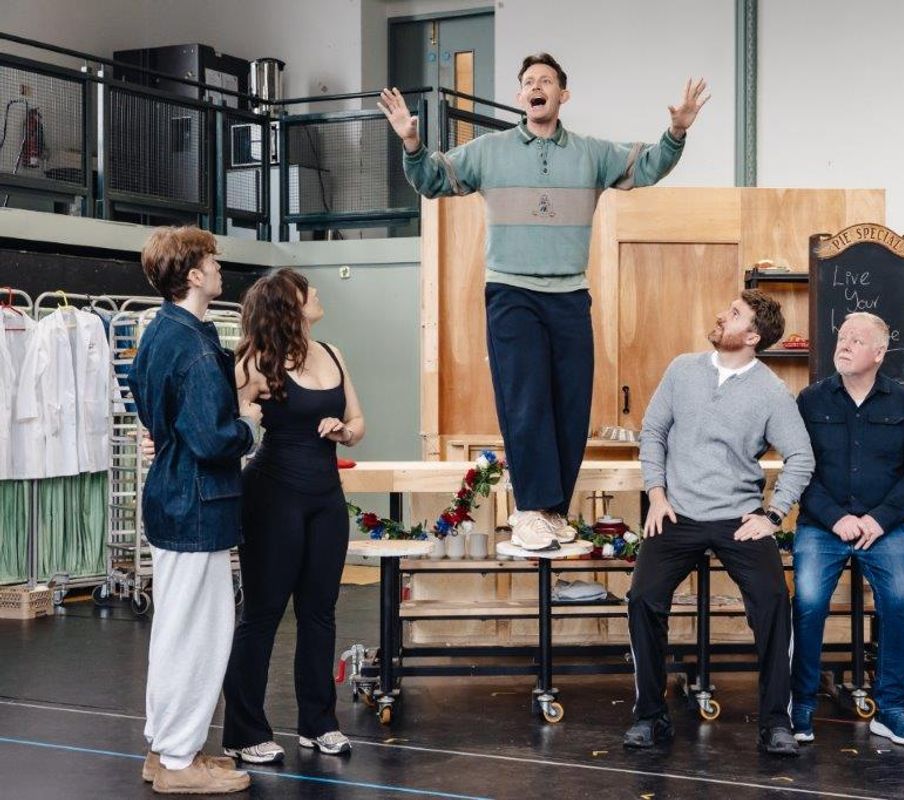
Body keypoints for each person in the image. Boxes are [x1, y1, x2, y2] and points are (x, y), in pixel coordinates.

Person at [380, 52, 708, 550]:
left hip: (570, 292)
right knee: (527, 398)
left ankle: (553, 510)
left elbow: (645, 167)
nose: (537, 86)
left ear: (562, 95)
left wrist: (676, 133)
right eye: (529, 81)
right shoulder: (488, 151)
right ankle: (529, 509)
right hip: (512, 290)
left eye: (547, 81)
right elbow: (433, 179)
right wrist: (411, 141)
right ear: (520, 97)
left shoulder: (590, 153)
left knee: (571, 405)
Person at [624, 290, 814, 756]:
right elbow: (653, 431)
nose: (720, 316)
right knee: (642, 598)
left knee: (772, 602)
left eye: (733, 315)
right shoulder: (682, 369)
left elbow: (801, 457)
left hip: (738, 518)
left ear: (752, 336)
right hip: (677, 511)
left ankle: (775, 722)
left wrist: (771, 515)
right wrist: (656, 493)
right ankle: (651, 717)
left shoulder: (771, 392)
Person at [128, 226, 259, 794]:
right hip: (199, 504)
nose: (219, 268)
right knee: (200, 634)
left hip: (171, 498)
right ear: (194, 275)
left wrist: (164, 434)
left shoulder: (161, 331)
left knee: (175, 630)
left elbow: (140, 390)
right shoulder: (198, 347)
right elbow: (212, 439)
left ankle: (166, 751)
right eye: (212, 260)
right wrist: (249, 427)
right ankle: (179, 761)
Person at [220, 269, 366, 763]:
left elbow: (359, 421)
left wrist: (344, 432)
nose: (318, 293)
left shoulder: (333, 352)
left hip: (326, 497)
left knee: (320, 612)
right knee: (263, 613)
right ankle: (243, 731)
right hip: (272, 495)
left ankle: (318, 723)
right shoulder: (252, 362)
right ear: (289, 303)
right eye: (309, 290)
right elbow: (226, 425)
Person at [790, 312, 904, 746]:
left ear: (879, 353)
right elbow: (800, 469)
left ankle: (890, 710)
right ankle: (801, 707)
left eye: (856, 339)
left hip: (882, 527)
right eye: (841, 337)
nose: (844, 345)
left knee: (901, 604)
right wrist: (836, 517)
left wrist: (878, 519)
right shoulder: (810, 401)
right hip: (823, 524)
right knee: (810, 603)